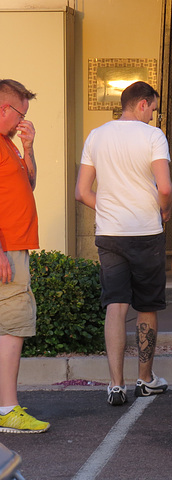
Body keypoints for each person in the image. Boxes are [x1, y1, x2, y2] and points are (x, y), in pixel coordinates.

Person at [75, 81, 172, 406]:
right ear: (143, 104)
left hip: (110, 233)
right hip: (146, 232)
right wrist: (165, 209)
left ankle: (115, 385)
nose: (153, 117)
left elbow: (82, 191)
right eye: (153, 110)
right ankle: (144, 380)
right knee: (147, 306)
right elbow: (165, 187)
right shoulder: (152, 137)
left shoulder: (96, 135)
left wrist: (107, 208)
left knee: (115, 306)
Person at [0, 79, 50, 433]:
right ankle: (7, 409)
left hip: (15, 246)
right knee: (12, 327)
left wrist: (28, 147)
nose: (23, 122)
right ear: (4, 108)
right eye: (20, 115)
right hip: (7, 249)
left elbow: (28, 185)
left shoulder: (8, 144)